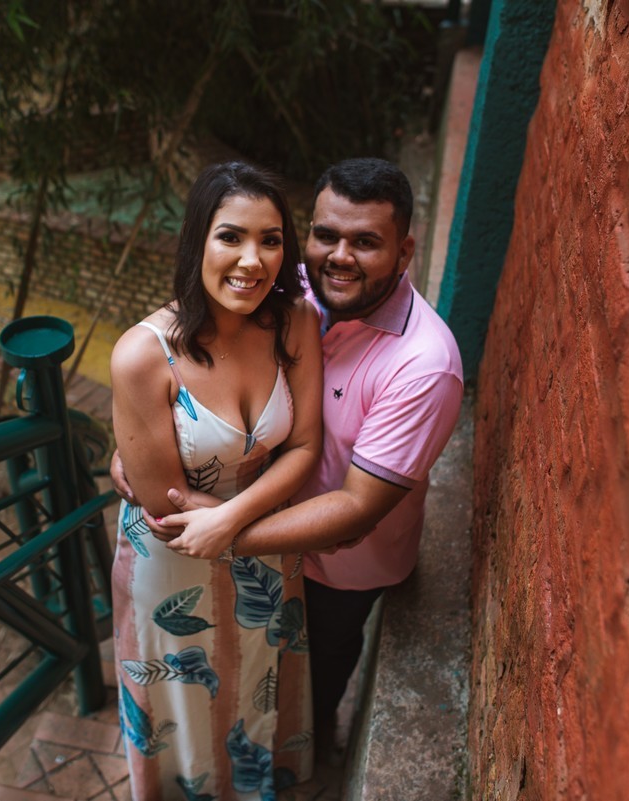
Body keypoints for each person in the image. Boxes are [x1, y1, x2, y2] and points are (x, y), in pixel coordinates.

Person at [121, 157, 464, 761]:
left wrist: (227, 530)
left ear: (405, 251)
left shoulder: (425, 367)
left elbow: (356, 510)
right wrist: (135, 437)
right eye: (326, 235)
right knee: (224, 680)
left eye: (366, 242)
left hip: (338, 563)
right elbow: (184, 347)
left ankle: (302, 760)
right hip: (241, 532)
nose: (340, 257)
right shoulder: (290, 287)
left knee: (312, 676)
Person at [109, 161, 322, 799]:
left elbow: (304, 446)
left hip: (265, 541)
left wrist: (233, 518)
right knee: (187, 703)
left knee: (258, 680)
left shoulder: (294, 321)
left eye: (270, 240)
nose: (252, 260)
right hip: (174, 561)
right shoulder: (144, 355)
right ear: (196, 240)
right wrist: (242, 520)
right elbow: (166, 505)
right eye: (231, 236)